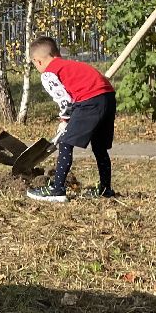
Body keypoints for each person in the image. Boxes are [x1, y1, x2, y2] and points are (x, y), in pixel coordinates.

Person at [26, 37, 117, 203]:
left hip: (89, 100)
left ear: (37, 61)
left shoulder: (48, 74)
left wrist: (64, 121)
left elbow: (65, 101)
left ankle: (57, 190)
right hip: (108, 97)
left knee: (66, 143)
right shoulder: (70, 65)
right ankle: (105, 189)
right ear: (57, 53)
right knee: (99, 147)